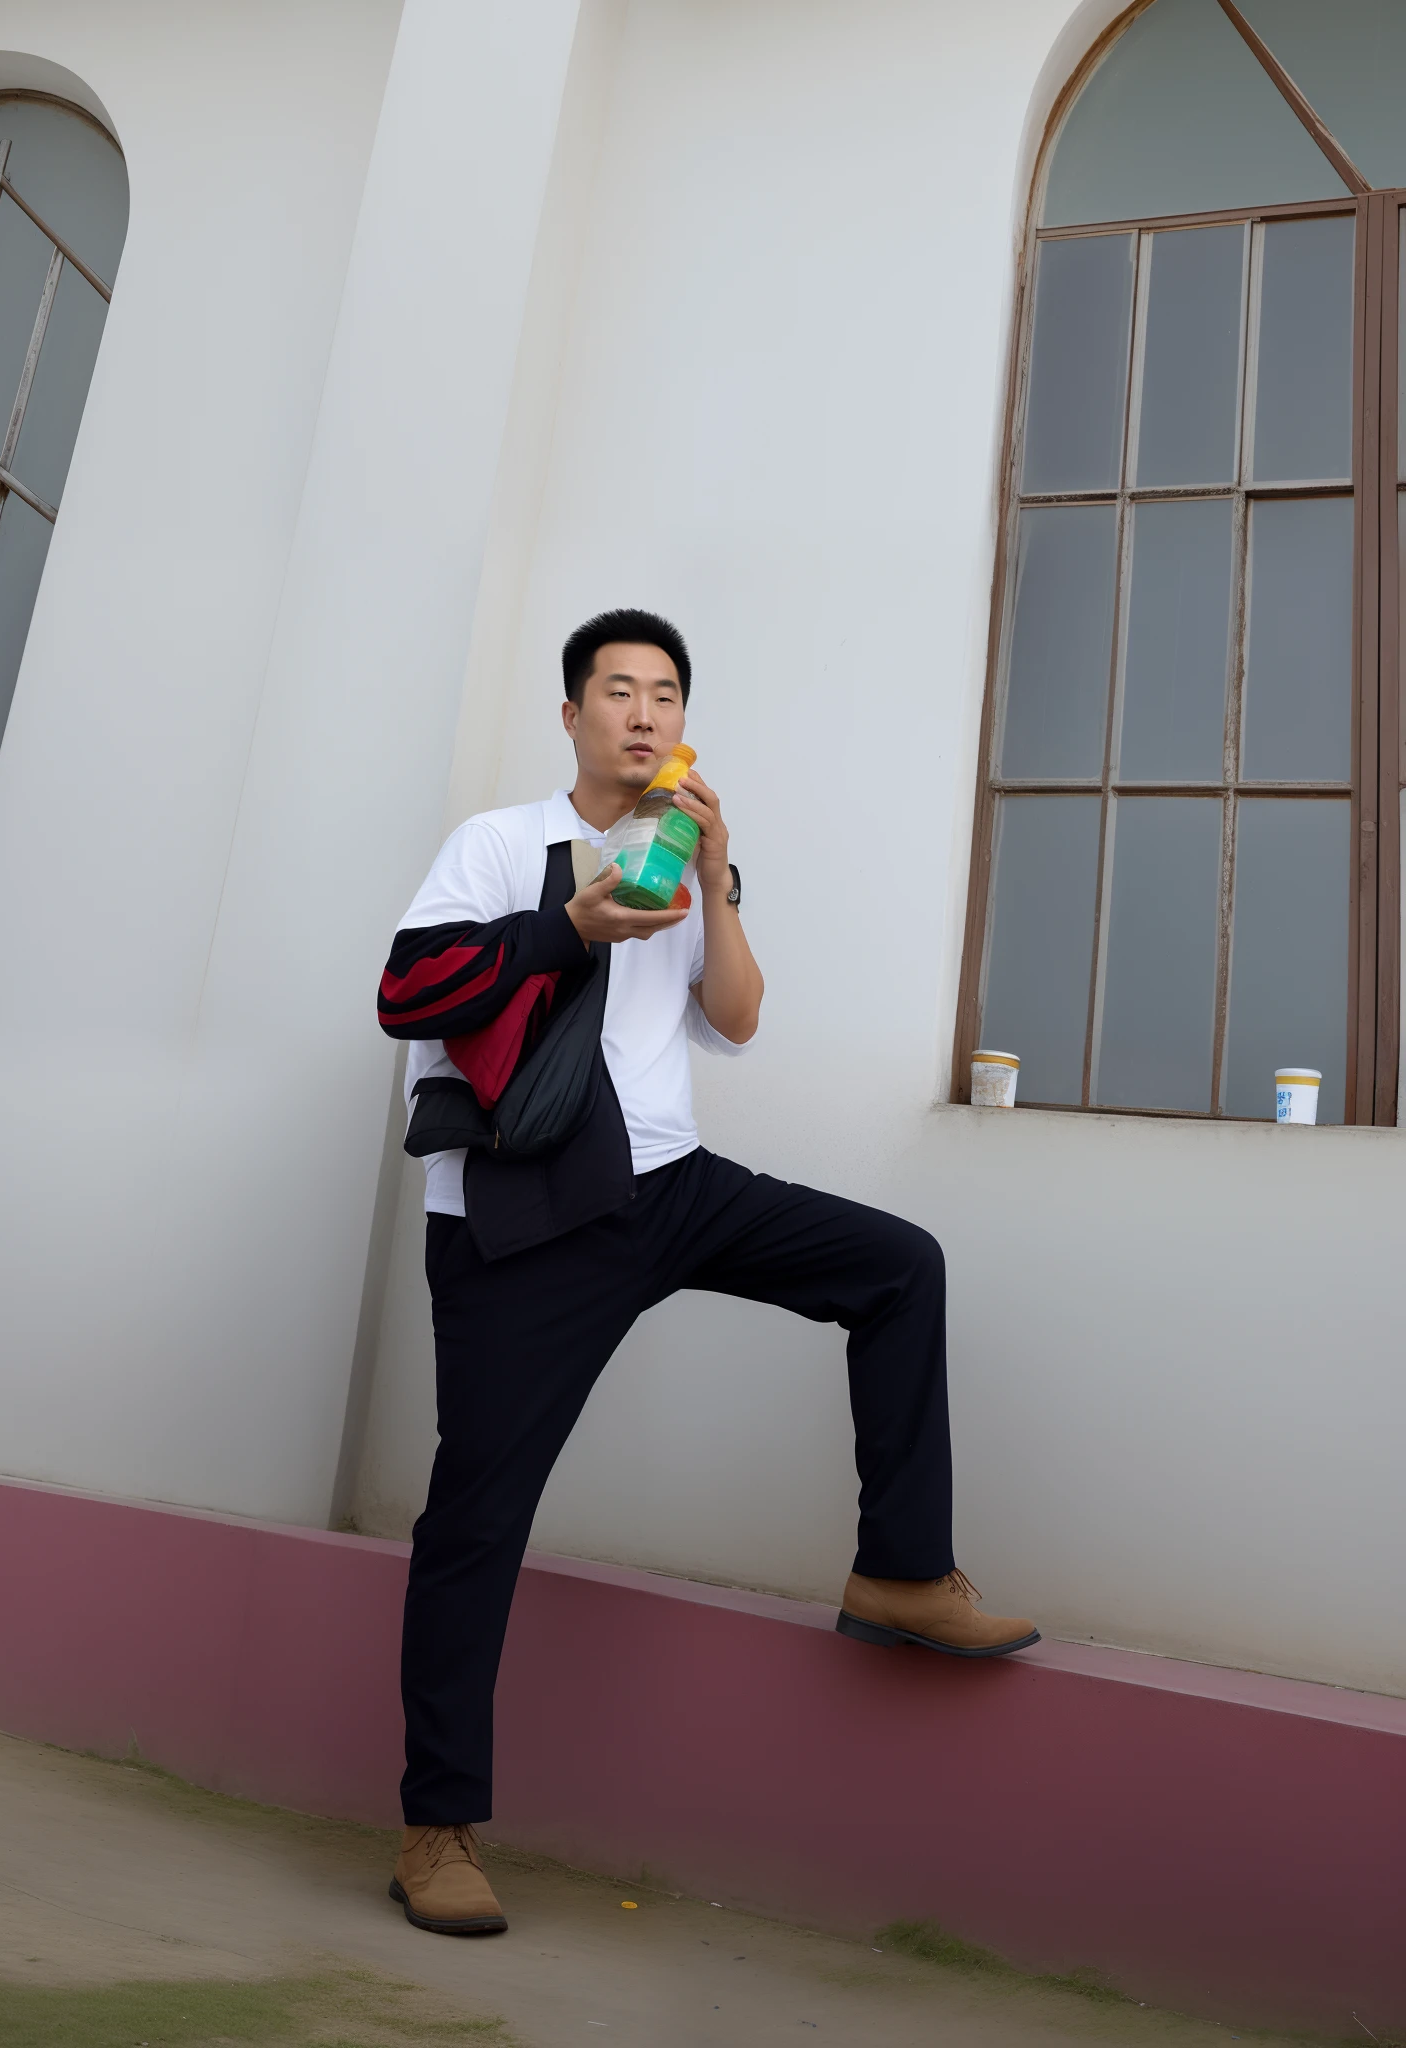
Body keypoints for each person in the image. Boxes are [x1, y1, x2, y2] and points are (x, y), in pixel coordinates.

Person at [376, 607, 1037, 1937]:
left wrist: (719, 877)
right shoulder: (502, 844)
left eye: (664, 694)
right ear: (571, 716)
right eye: (617, 690)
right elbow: (407, 992)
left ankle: (902, 1569)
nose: (642, 712)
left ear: (683, 725)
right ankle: (436, 1827)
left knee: (899, 1266)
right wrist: (569, 925)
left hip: (670, 1183)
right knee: (475, 1516)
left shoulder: (683, 860)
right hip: (528, 1207)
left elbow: (733, 1015)